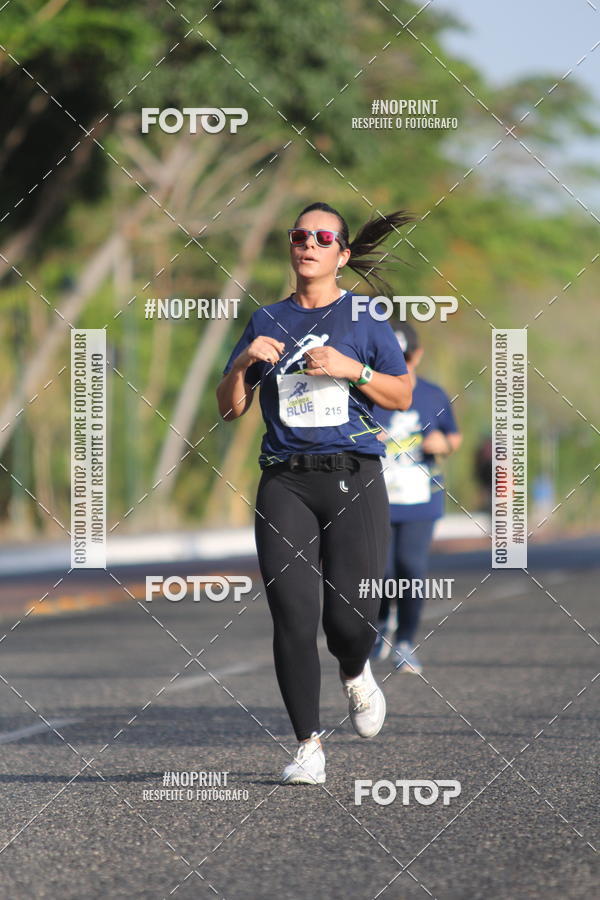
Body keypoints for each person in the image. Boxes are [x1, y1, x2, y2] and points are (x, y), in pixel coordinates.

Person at [216, 202, 413, 785]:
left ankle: (355, 671)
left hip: (353, 475)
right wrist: (245, 364)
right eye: (299, 234)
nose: (308, 243)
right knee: (292, 618)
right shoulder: (266, 320)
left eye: (322, 237)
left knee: (350, 622)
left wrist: (353, 371)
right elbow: (229, 410)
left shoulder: (365, 317)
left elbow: (401, 396)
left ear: (342, 255)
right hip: (285, 479)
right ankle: (308, 745)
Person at [370, 322, 462, 672]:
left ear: (417, 356)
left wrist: (443, 444)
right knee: (381, 570)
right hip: (377, 498)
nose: (400, 364)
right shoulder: (365, 392)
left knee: (410, 568)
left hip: (422, 499)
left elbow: (454, 436)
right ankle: (381, 623)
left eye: (405, 357)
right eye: (391, 357)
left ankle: (405, 641)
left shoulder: (433, 395)